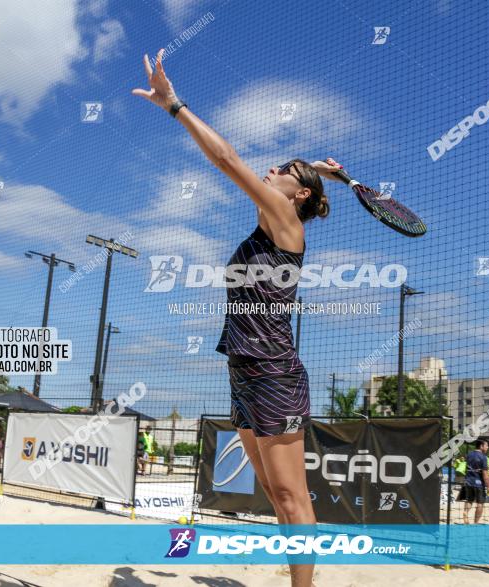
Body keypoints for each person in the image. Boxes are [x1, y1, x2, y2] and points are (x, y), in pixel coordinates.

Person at [133, 49, 341, 587]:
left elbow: (226, 159)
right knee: (274, 494)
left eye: (283, 172)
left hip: (274, 373)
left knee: (292, 497)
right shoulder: (273, 219)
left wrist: (174, 106)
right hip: (244, 371)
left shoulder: (287, 225)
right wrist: (315, 171)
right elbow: (282, 179)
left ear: (296, 197)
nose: (268, 169)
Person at [460, 439, 489, 524]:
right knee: (480, 503)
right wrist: (488, 487)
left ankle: (465, 512)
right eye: (486, 445)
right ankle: (476, 522)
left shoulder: (469, 455)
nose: (488, 447)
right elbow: (485, 474)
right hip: (479, 483)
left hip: (468, 481)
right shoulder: (483, 457)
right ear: (481, 446)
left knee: (469, 500)